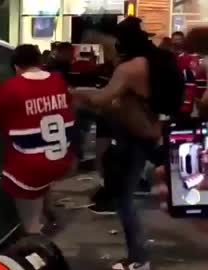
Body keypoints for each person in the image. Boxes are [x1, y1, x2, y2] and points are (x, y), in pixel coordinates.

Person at [71, 17, 179, 270]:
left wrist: (74, 92)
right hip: (152, 128)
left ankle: (139, 258)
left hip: (136, 135)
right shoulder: (155, 60)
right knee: (181, 181)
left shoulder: (130, 68)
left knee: (125, 199)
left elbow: (102, 99)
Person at [0, 44, 75, 234]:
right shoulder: (58, 81)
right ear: (39, 62)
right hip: (60, 159)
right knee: (42, 182)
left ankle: (36, 249)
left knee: (30, 226)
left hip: (28, 169)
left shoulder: (13, 87)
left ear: (16, 67)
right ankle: (46, 213)